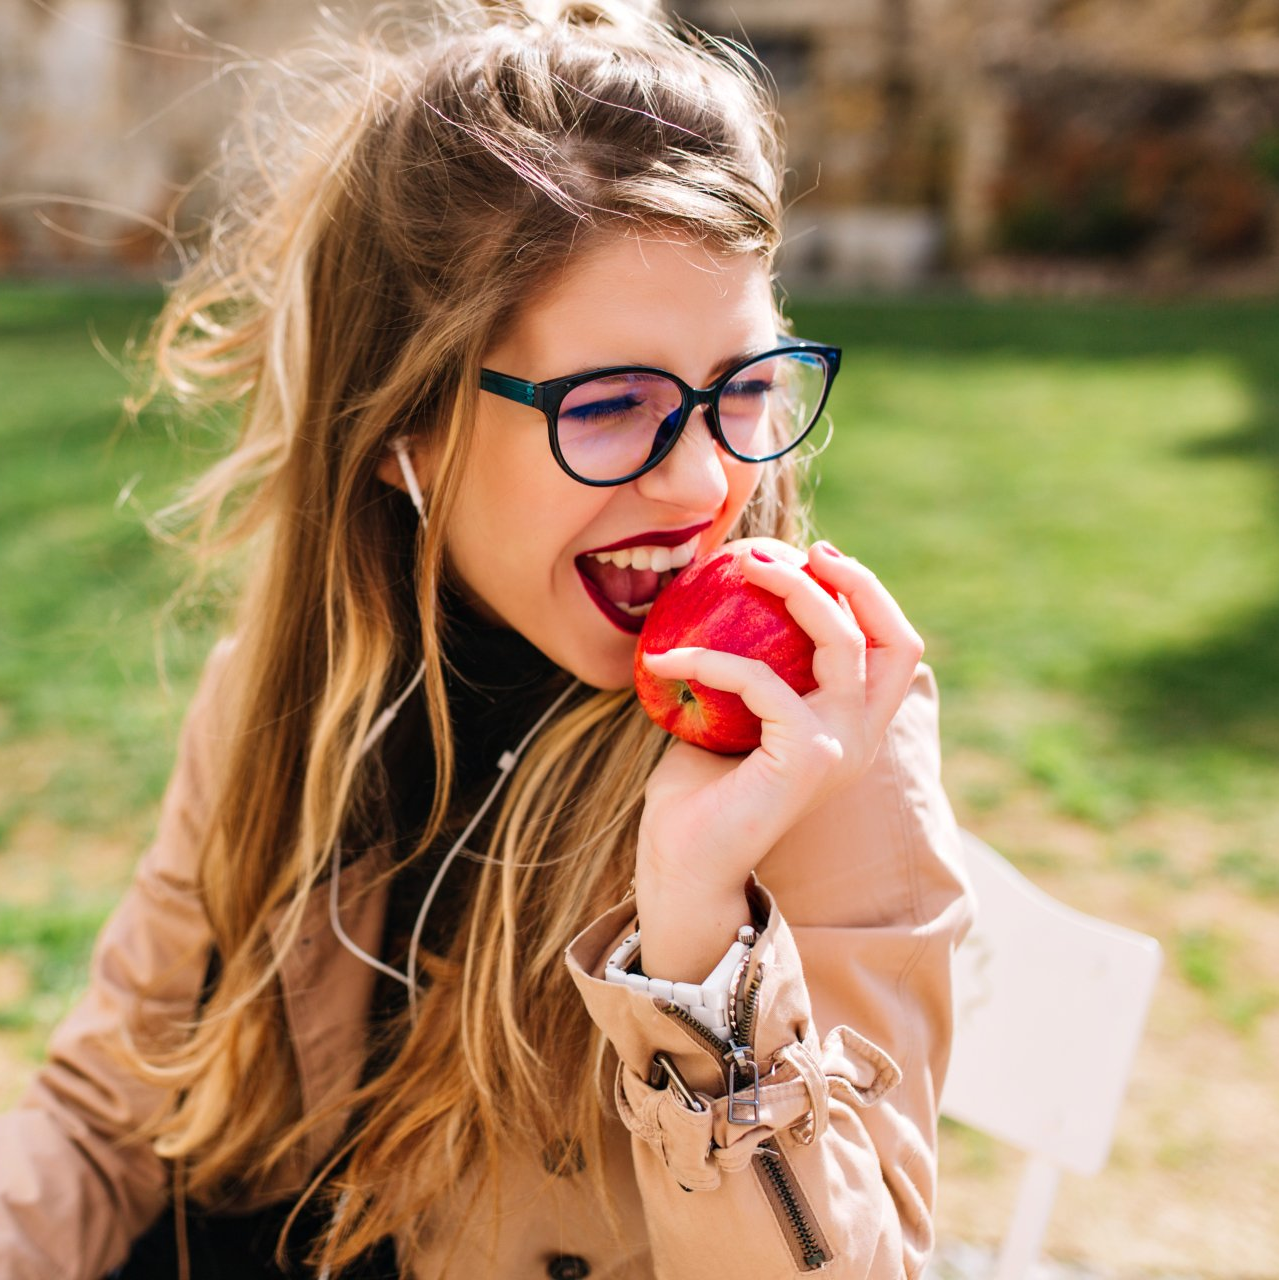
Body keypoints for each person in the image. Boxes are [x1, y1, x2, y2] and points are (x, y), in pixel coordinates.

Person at [0, 1, 973, 1276]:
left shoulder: (816, 740)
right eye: (613, 404)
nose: (702, 487)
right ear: (401, 427)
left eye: (741, 390)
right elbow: (107, 1117)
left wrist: (695, 943)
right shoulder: (295, 682)